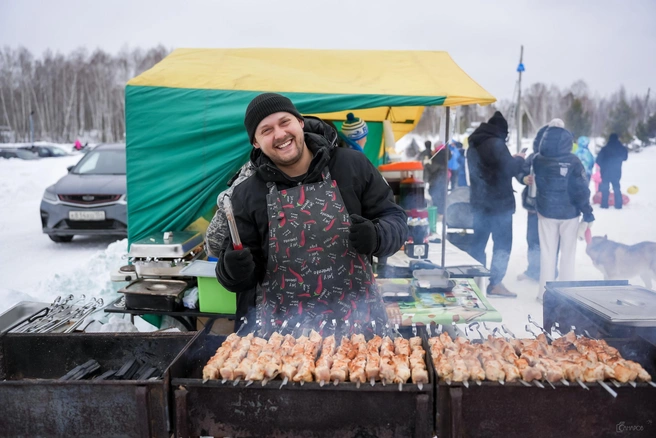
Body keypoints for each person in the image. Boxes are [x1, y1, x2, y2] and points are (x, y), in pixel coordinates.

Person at [215, 93, 408, 332]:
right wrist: (232, 270)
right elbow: (236, 275)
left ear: (300, 122)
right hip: (281, 339)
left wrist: (377, 236)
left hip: (359, 328)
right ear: (255, 143)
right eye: (266, 130)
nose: (279, 134)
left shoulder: (352, 166)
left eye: (285, 122)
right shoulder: (246, 194)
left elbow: (396, 220)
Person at [532, 119, 594, 302]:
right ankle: (566, 295)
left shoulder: (538, 159)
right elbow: (581, 189)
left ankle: (544, 295)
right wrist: (587, 211)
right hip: (570, 214)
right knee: (568, 254)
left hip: (545, 212)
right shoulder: (573, 161)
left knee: (547, 253)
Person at [467, 111, 525, 297]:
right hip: (499, 205)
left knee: (478, 243)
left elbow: (489, 168)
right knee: (502, 245)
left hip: (479, 203)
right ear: (503, 132)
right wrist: (519, 160)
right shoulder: (496, 144)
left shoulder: (474, 144)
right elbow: (509, 169)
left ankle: (473, 281)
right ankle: (495, 283)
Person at [516, 125, 548, 283]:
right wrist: (524, 178)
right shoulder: (532, 157)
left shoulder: (562, 158)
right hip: (533, 206)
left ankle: (549, 271)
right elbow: (520, 171)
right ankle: (533, 270)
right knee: (533, 239)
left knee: (550, 241)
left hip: (552, 209)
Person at [596, 133, 628, 209]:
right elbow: (625, 158)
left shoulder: (605, 148)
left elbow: (598, 160)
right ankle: (618, 205)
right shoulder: (621, 148)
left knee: (605, 188)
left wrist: (603, 165)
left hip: (605, 171)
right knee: (616, 187)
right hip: (616, 171)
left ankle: (604, 204)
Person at [419, 140, 450, 216]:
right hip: (444, 177)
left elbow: (434, 167)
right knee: (442, 195)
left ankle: (439, 213)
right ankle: (442, 212)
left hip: (437, 179)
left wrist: (427, 165)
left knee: (436, 195)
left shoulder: (438, 154)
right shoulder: (445, 152)